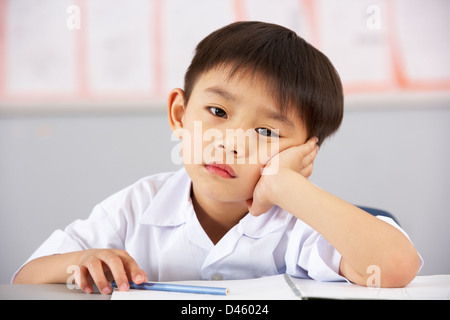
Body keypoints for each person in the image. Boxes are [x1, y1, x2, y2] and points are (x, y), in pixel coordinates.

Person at [13, 21, 421, 294]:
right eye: (218, 113)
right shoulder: (135, 208)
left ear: (304, 151)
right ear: (179, 114)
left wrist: (285, 186)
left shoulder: (300, 226)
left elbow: (396, 267)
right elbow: (25, 279)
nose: (231, 143)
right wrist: (81, 261)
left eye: (266, 132)